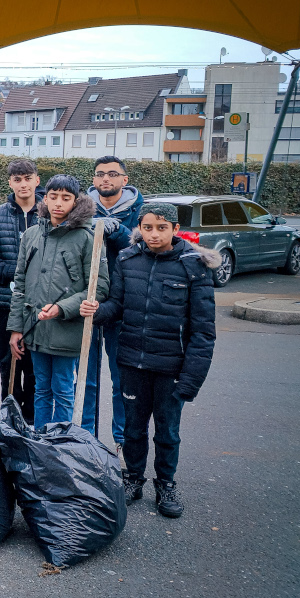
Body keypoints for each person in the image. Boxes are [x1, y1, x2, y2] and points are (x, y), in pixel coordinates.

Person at [82, 202, 218, 518]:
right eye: (147, 227)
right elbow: (117, 306)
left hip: (171, 367)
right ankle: (132, 480)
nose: (153, 234)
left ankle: (166, 485)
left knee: (167, 431)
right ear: (139, 229)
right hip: (131, 361)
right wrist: (97, 312)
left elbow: (203, 331)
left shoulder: (193, 266)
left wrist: (190, 381)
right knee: (133, 428)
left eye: (161, 227)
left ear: (174, 228)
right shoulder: (128, 260)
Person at [6, 175, 108, 429]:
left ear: (76, 201)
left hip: (68, 331)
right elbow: (19, 283)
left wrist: (63, 308)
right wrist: (16, 328)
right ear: (46, 198)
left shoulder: (87, 237)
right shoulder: (31, 235)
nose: (58, 203)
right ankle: (42, 441)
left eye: (66, 198)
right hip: (36, 328)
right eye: (53, 197)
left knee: (63, 390)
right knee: (41, 388)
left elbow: (99, 286)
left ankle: (62, 445)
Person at [84, 155, 145, 450]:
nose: (105, 179)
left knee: (122, 380)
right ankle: (86, 440)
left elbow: (144, 251)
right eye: (99, 174)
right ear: (93, 180)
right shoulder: (81, 210)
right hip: (87, 305)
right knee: (86, 378)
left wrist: (118, 231)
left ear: (124, 179)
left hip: (124, 307)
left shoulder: (140, 212)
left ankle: (121, 442)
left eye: (112, 174)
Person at [0, 159, 43, 422]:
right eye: (17, 179)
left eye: (28, 178)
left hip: (40, 306)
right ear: (10, 183)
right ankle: (9, 420)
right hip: (6, 304)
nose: (23, 184)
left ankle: (31, 421)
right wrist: (20, 272)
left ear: (37, 180)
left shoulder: (49, 213)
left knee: (34, 369)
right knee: (8, 364)